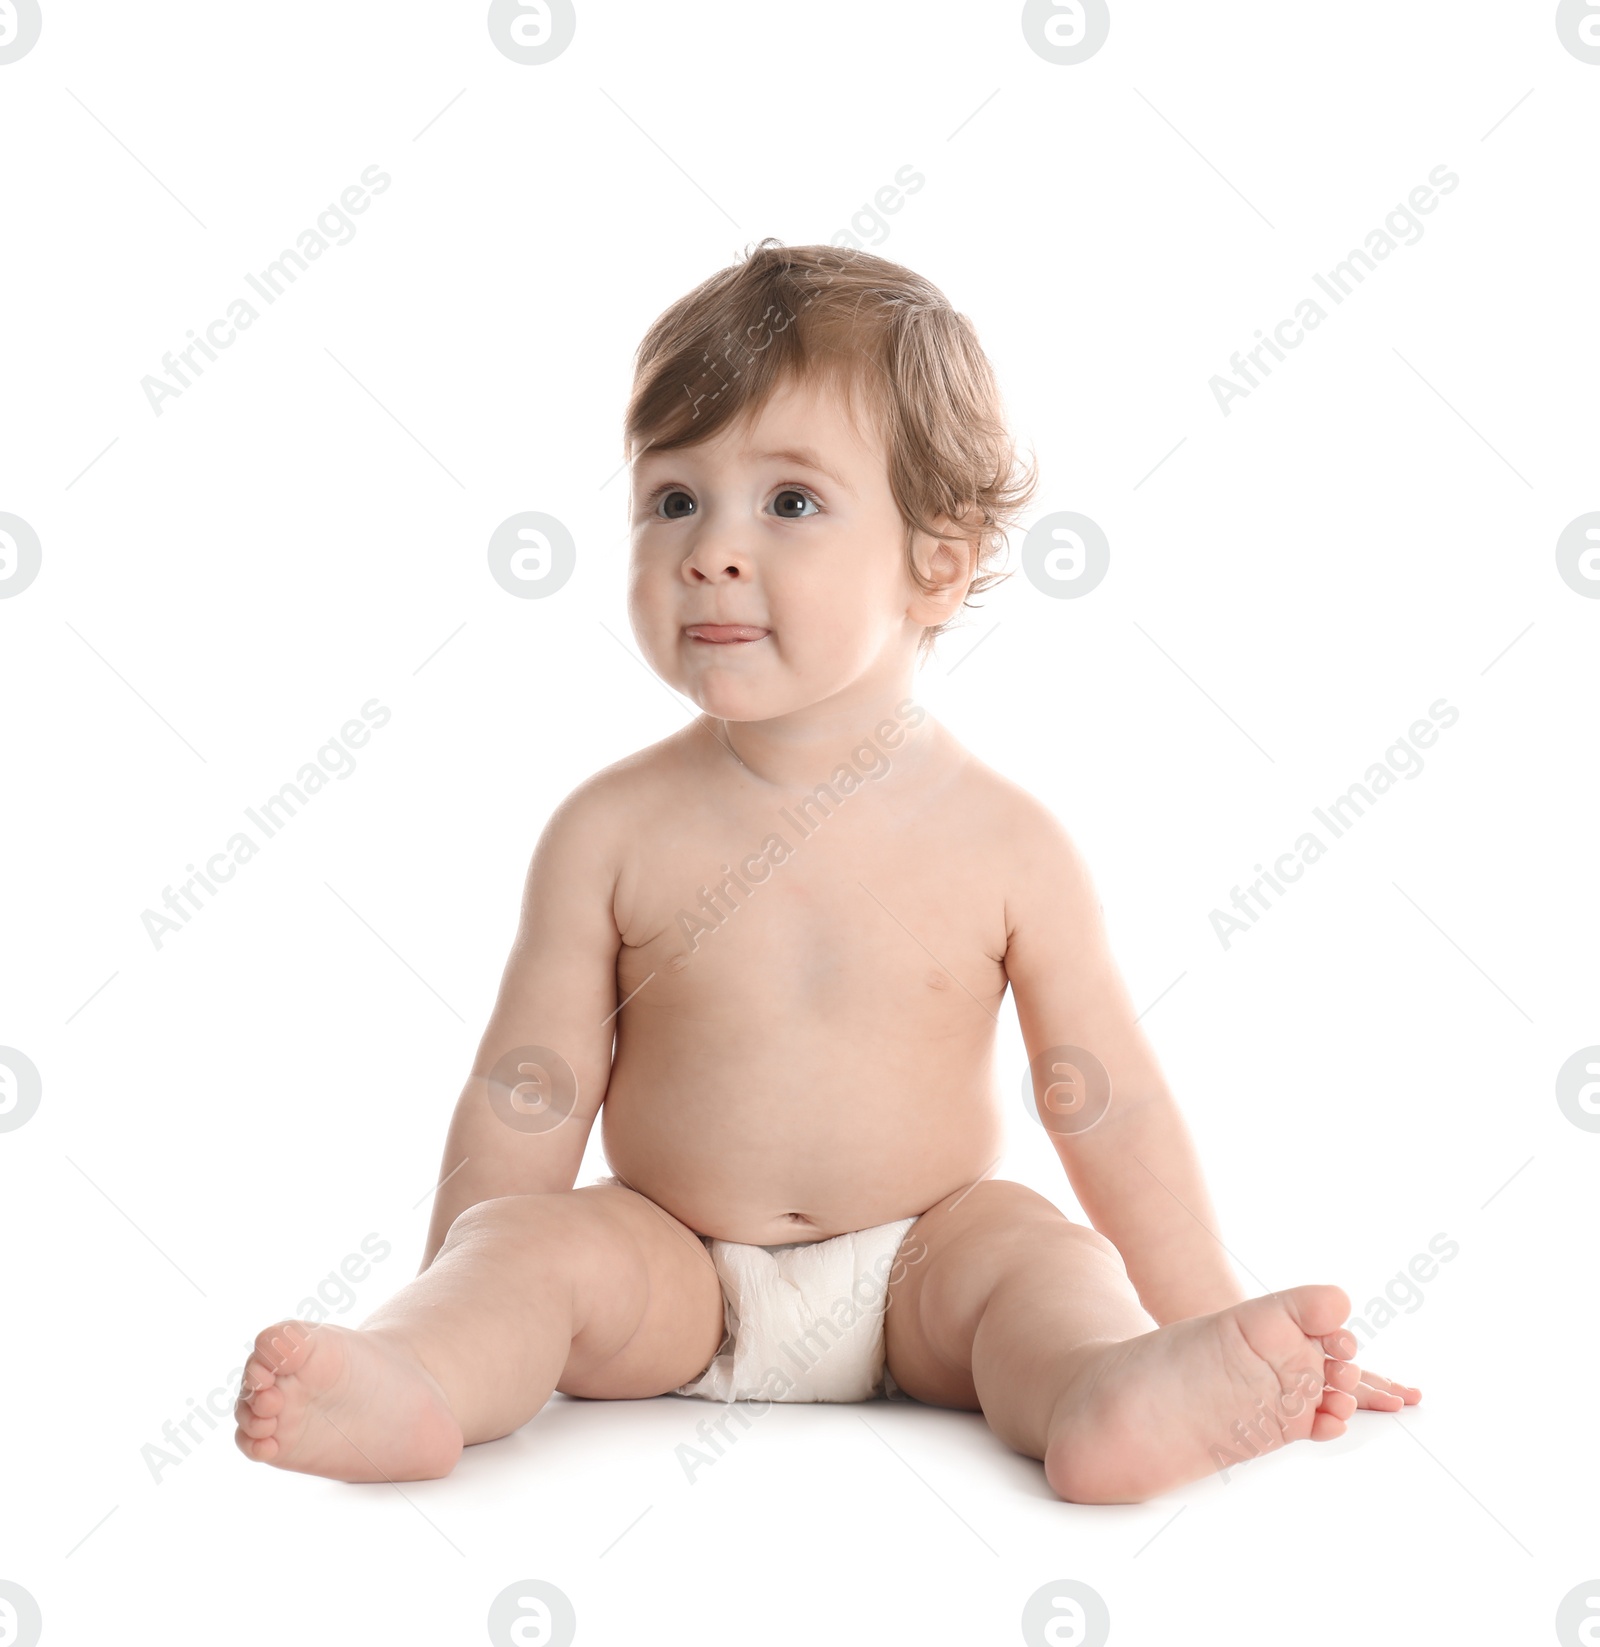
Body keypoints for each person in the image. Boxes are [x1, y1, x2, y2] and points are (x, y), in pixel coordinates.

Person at [234, 240, 1418, 1503]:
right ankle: (418, 1385)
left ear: (938, 562)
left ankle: (1115, 1392)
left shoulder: (1008, 844)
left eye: (788, 503)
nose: (709, 551)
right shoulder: (610, 831)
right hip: (671, 1265)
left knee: (1044, 1265)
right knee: (531, 1246)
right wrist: (452, 1296)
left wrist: (1211, 1315)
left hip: (930, 1261)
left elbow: (1104, 1103)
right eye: (672, 499)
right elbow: (530, 1094)